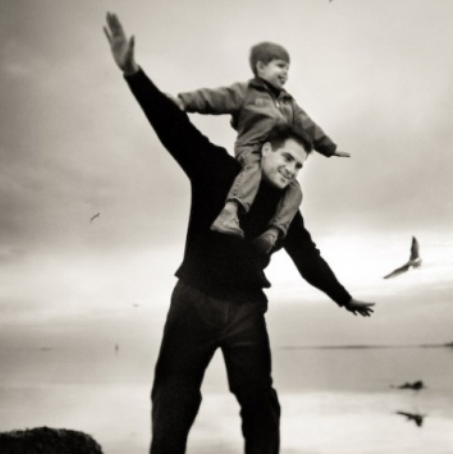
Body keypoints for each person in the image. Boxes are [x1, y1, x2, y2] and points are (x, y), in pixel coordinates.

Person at [103, 13, 375, 454]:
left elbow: (308, 258)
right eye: (286, 158)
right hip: (193, 302)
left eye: (299, 165)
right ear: (265, 149)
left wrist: (343, 298)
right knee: (173, 396)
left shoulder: (287, 210)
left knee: (260, 403)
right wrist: (133, 73)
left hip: (246, 311)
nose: (291, 169)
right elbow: (173, 128)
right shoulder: (217, 170)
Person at [167, 40, 350, 254]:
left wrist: (329, 147)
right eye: (280, 66)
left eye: (288, 68)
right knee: (251, 169)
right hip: (251, 147)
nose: (285, 72)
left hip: (274, 155)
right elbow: (216, 98)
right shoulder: (247, 92)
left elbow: (308, 125)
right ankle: (229, 213)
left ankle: (273, 232)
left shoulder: (288, 102)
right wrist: (183, 101)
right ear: (261, 67)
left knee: (295, 190)